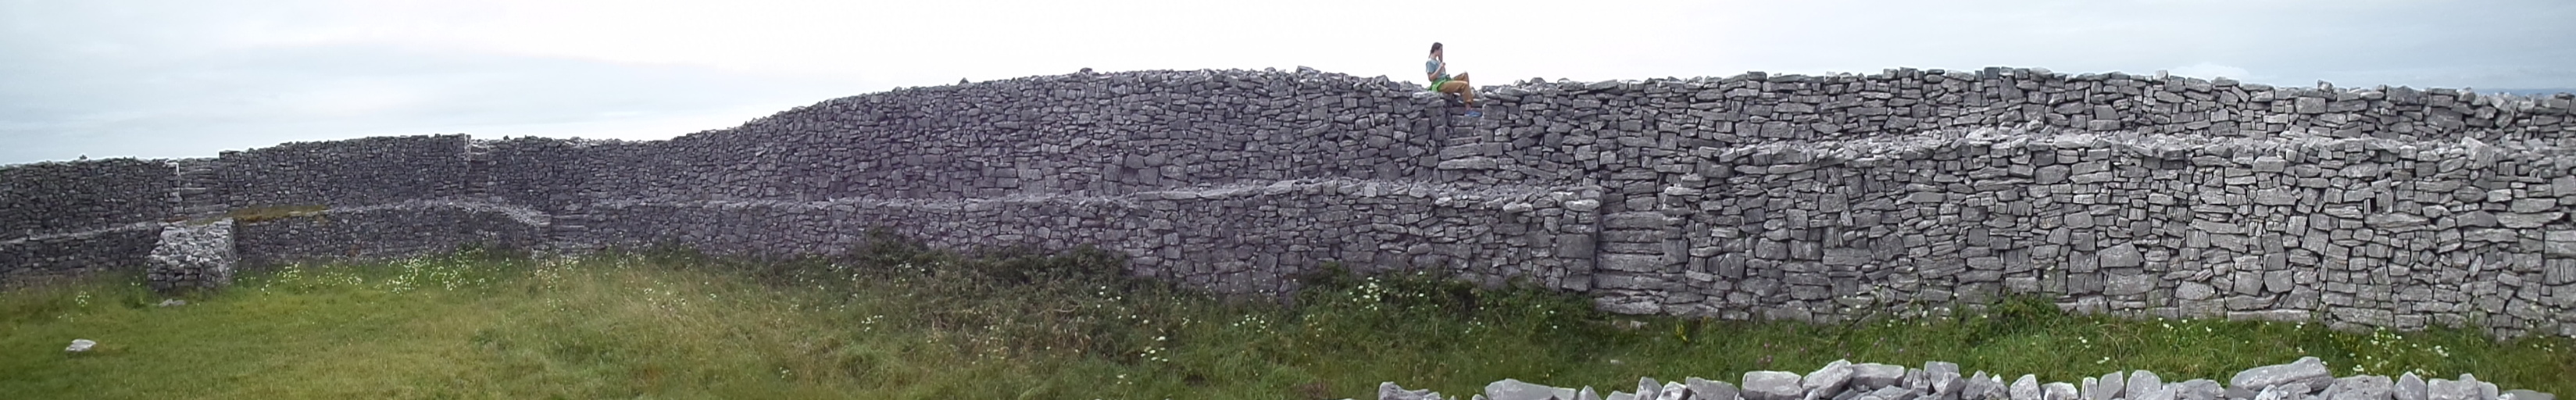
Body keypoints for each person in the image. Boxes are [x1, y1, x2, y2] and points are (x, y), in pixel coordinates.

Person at [1426, 42, 1481, 117]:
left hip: (1446, 80)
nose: (1442, 52)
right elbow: (1431, 78)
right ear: (1436, 50)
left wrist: (1441, 61)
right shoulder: (1430, 62)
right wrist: (1440, 68)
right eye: (1441, 50)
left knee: (1465, 75)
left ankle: (1465, 97)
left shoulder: (1438, 61)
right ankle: (1468, 110)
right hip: (1439, 84)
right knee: (1464, 85)